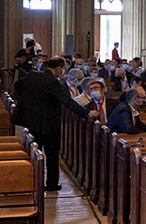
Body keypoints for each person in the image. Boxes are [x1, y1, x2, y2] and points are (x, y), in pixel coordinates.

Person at [11, 57, 99, 191]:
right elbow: (67, 102)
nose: (63, 72)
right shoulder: (52, 82)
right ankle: (51, 184)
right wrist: (86, 113)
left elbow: (17, 85)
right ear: (57, 69)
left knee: (34, 154)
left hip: (31, 121)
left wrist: (29, 101)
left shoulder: (33, 75)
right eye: (62, 69)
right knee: (51, 154)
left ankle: (32, 182)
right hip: (48, 123)